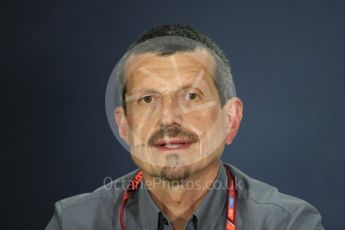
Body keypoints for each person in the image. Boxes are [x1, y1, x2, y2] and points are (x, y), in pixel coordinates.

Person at [46, 24, 324, 230]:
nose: (168, 118)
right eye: (147, 99)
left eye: (191, 97)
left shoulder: (287, 223)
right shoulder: (74, 221)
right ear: (124, 125)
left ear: (231, 119)